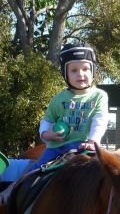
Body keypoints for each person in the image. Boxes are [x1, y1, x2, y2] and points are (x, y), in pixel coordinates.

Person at [29, 42, 109, 170]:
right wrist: (45, 134)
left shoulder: (100, 96)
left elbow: (100, 119)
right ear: (65, 74)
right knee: (34, 172)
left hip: (84, 146)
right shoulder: (58, 99)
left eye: (85, 69)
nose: (80, 74)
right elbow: (48, 119)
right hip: (56, 148)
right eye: (74, 70)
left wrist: (93, 141)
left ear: (93, 70)